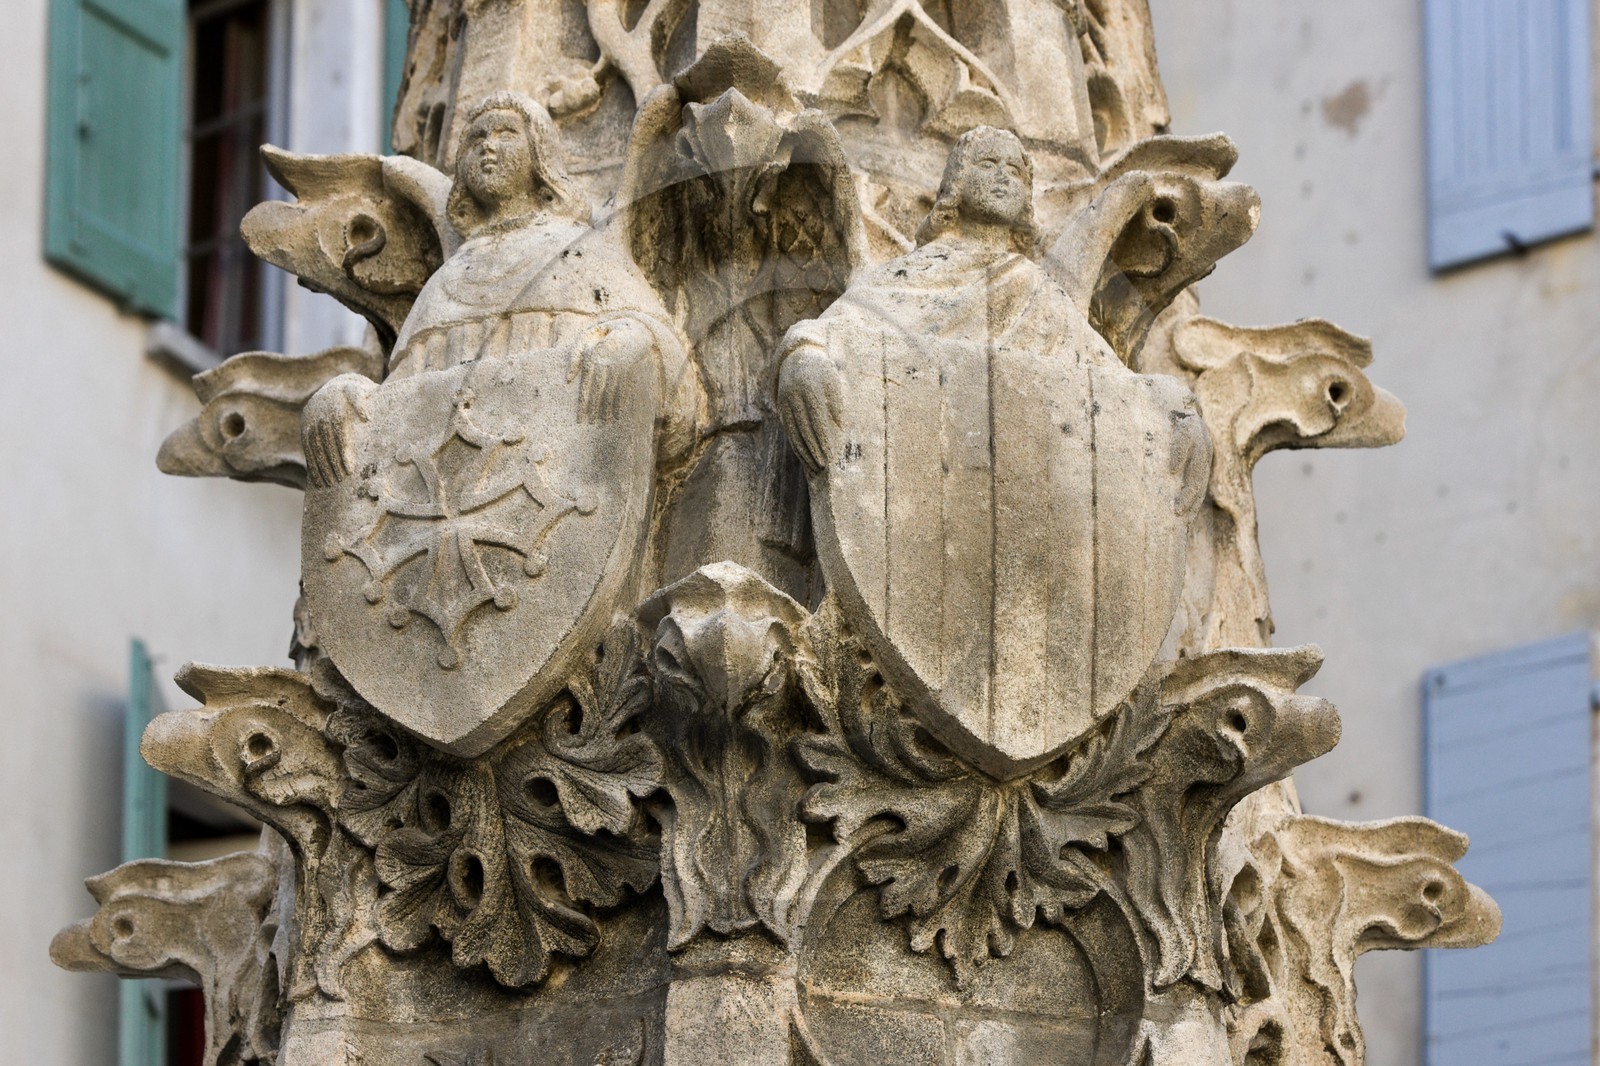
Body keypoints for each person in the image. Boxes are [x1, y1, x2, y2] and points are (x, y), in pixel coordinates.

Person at [775, 125, 1124, 473]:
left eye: (1015, 171)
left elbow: (1110, 380)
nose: (1003, 176)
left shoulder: (1036, 289)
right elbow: (832, 330)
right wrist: (803, 358)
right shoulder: (916, 273)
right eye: (987, 164)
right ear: (956, 182)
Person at [385, 91, 699, 452]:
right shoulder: (447, 279)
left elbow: (671, 368)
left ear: (539, 156)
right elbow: (400, 399)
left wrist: (633, 341)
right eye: (476, 138)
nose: (488, 146)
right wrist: (349, 399)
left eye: (506, 134)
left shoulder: (577, 250)